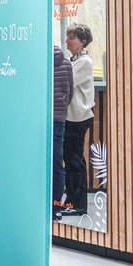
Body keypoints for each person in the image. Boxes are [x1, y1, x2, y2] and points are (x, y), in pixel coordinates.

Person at [62, 22, 95, 216]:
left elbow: (66, 81)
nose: (67, 41)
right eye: (67, 37)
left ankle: (78, 204)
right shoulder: (74, 60)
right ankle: (71, 201)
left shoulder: (84, 62)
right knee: (70, 160)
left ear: (83, 42)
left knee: (74, 161)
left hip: (78, 118)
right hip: (71, 117)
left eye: (71, 38)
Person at [53, 45, 73, 221]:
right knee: (58, 164)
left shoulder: (39, 61)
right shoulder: (67, 63)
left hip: (42, 119)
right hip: (59, 119)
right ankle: (56, 207)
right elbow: (69, 92)